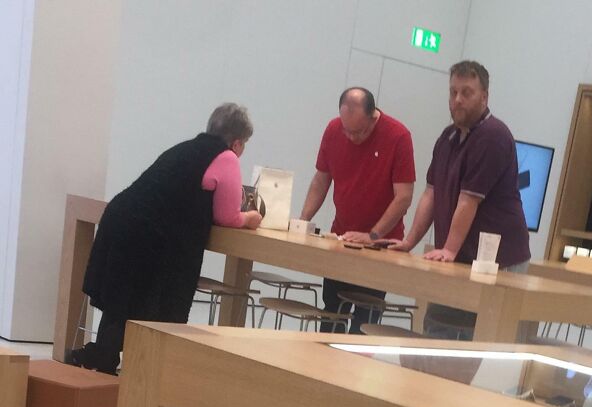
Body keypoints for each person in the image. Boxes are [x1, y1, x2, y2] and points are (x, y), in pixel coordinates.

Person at [69, 103, 262, 374]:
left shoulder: (186, 148)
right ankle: (145, 373)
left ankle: (102, 358)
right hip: (147, 235)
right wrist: (252, 218)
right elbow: (227, 217)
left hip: (120, 218)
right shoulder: (226, 157)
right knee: (149, 303)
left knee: (121, 301)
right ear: (238, 142)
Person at [390, 61, 530, 339]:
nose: (457, 100)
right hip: (460, 258)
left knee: (464, 338)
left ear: (484, 96)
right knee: (437, 327)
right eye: (453, 92)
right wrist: (409, 242)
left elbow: (469, 200)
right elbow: (431, 194)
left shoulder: (493, 136)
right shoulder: (448, 137)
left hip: (496, 261)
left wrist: (449, 250)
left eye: (467, 93)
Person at [300, 87, 415, 333]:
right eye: (347, 130)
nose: (352, 137)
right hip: (341, 237)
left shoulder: (398, 136)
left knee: (365, 320)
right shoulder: (333, 130)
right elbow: (321, 180)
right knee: (331, 311)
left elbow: (403, 197)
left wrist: (373, 235)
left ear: (373, 117)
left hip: (381, 244)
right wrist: (303, 220)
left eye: (360, 131)